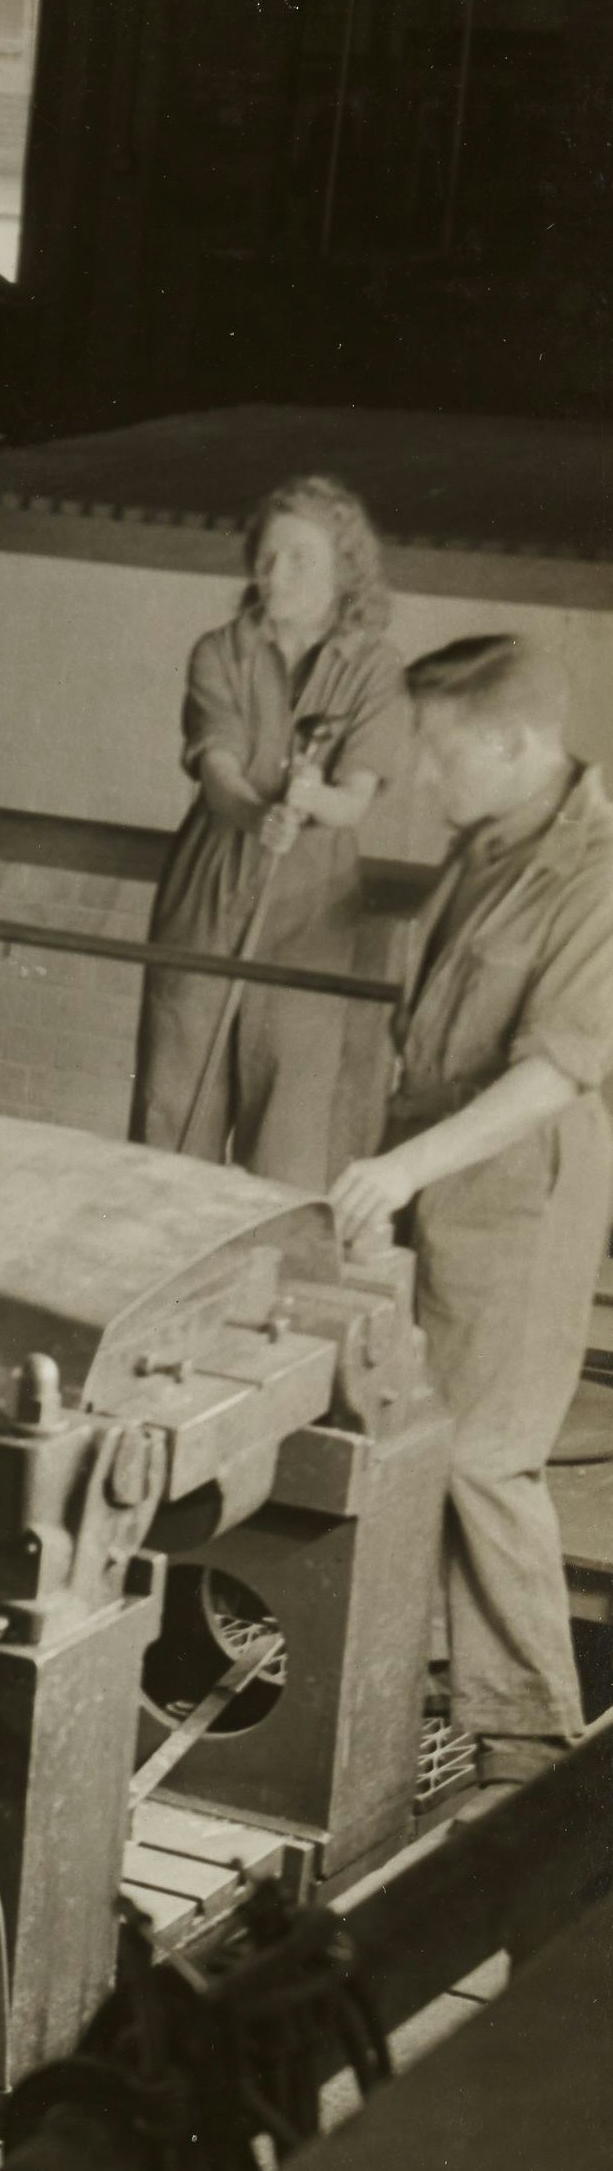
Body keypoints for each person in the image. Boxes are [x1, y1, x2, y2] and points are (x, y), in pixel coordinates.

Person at [328, 635, 613, 1787]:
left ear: (516, 743)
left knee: (489, 1460)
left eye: (444, 752)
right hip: (442, 1176)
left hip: (515, 1201)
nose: (425, 775)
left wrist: (402, 1173)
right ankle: (447, 1701)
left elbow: (554, 1071)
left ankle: (535, 1758)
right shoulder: (492, 841)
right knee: (428, 1440)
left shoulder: (595, 874)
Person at [134, 475, 412, 1186]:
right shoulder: (219, 651)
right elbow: (217, 766)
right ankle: (171, 1262)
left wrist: (317, 799)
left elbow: (359, 795)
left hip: (313, 898)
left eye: (299, 560)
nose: (274, 574)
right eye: (266, 555)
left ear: (344, 572)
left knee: (289, 1105)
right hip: (211, 879)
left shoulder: (376, 669)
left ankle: (263, 1278)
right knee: (177, 1099)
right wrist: (259, 813)